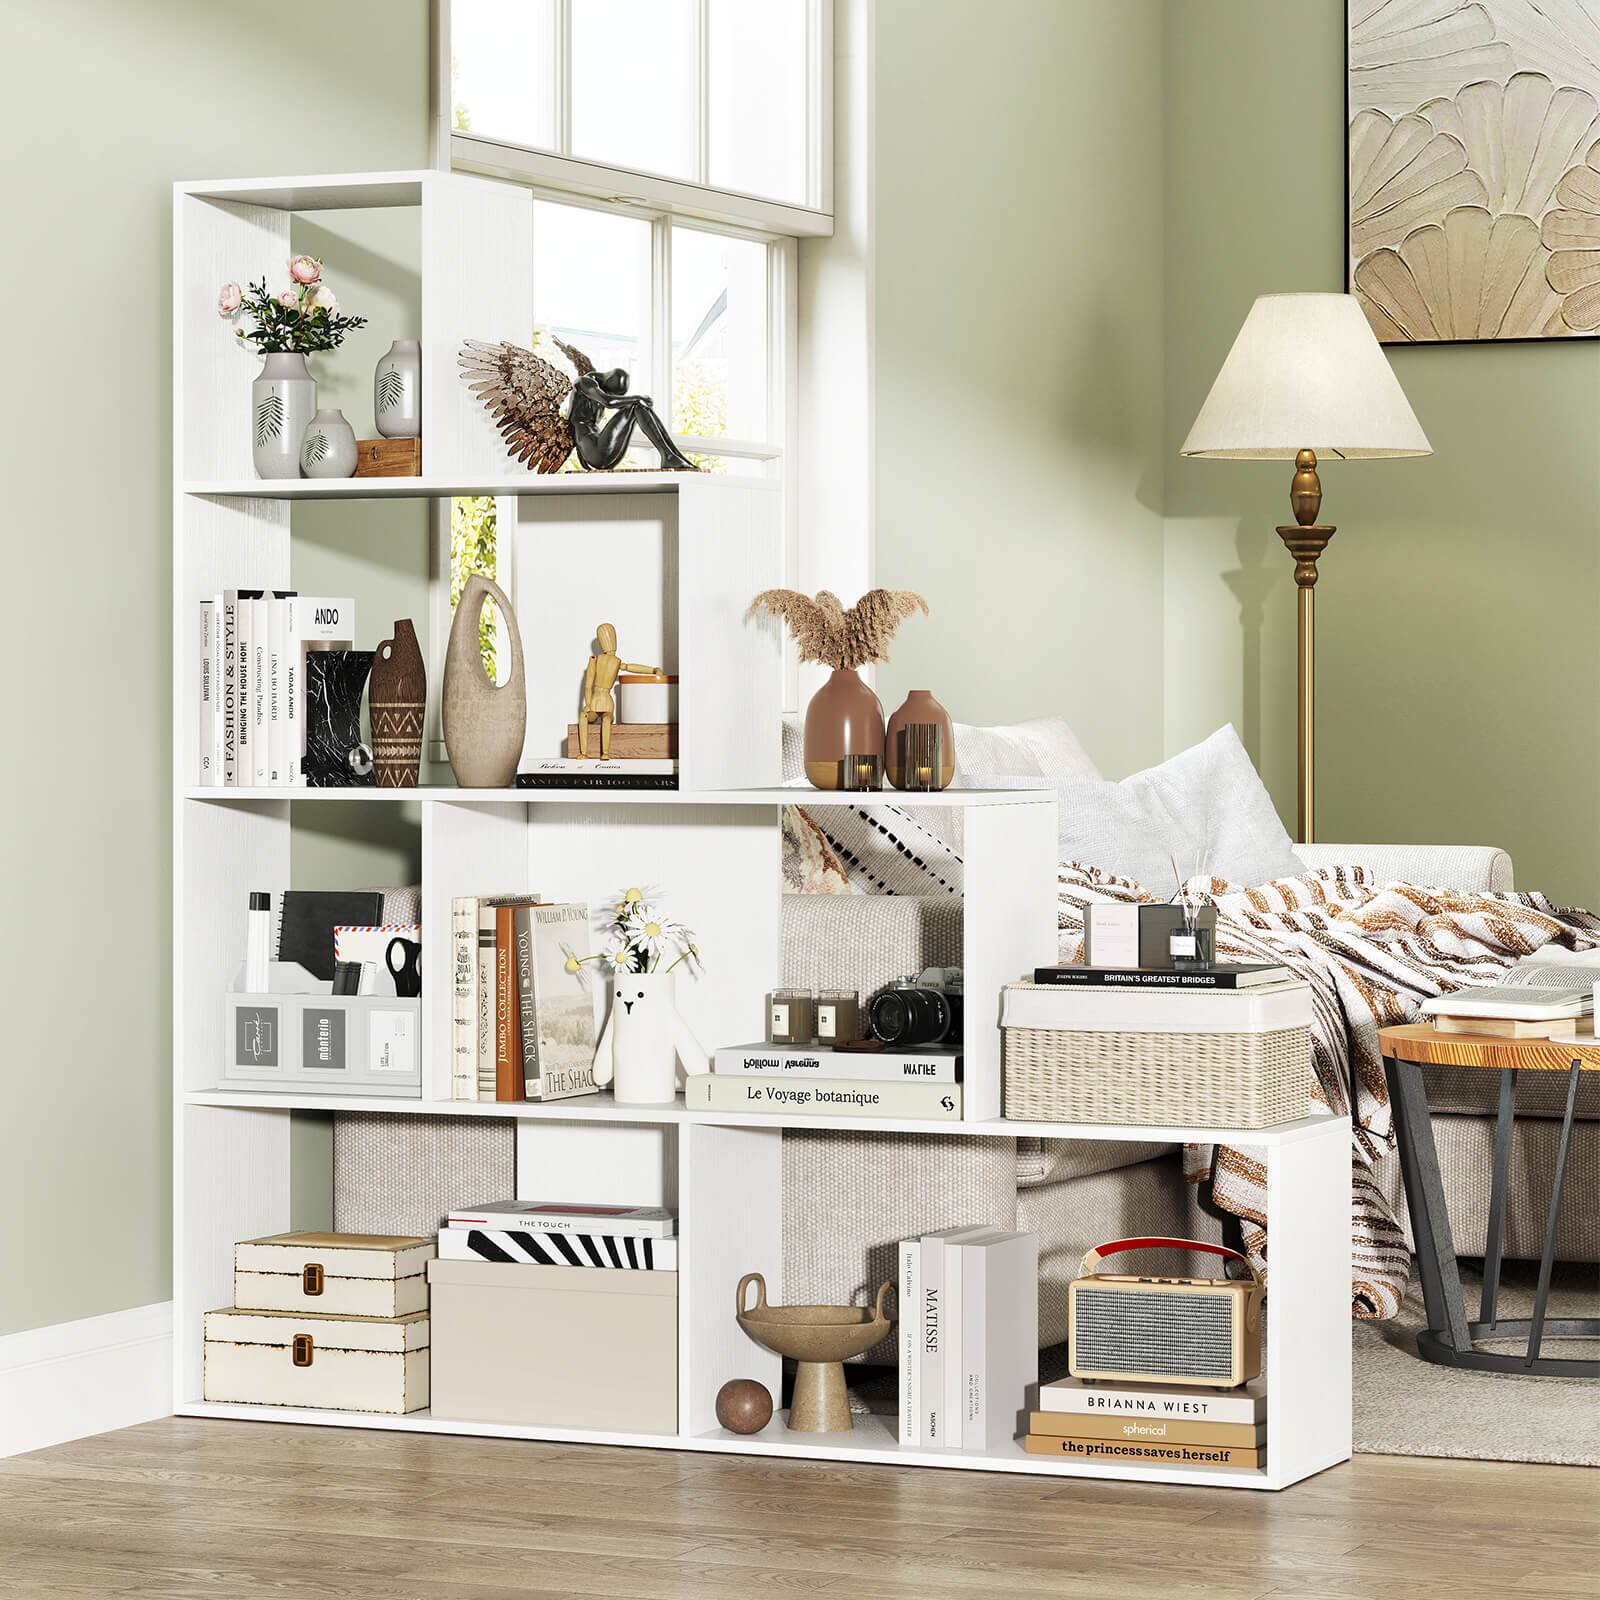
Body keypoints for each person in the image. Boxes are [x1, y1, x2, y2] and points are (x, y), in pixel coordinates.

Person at [570, 368, 698, 472]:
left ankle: (673, 455)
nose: (617, 397)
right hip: (595, 452)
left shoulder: (598, 389)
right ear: (607, 381)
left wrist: (641, 402)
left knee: (638, 406)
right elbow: (609, 401)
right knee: (635, 405)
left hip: (600, 449)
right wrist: (637, 398)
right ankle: (668, 455)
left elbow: (621, 405)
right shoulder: (583, 383)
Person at [580, 623, 667, 758]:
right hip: (606, 700)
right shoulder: (613, 661)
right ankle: (604, 753)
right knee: (607, 719)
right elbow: (630, 667)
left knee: (587, 717)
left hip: (597, 699)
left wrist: (589, 704)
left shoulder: (595, 660)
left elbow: (588, 685)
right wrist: (653, 670)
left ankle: (586, 753)